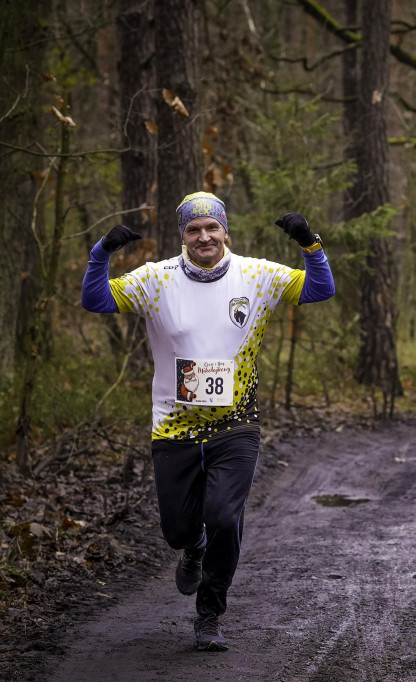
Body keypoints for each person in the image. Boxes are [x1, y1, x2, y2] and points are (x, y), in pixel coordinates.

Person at [81, 192, 335, 651]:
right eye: (194, 229)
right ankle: (192, 547)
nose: (204, 237)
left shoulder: (256, 274)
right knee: (178, 531)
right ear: (183, 236)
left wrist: (309, 245)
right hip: (173, 428)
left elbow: (320, 289)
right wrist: (102, 253)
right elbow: (96, 300)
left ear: (225, 231)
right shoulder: (156, 279)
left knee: (223, 516)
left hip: (235, 425)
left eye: (211, 228)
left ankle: (210, 614)